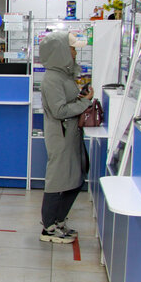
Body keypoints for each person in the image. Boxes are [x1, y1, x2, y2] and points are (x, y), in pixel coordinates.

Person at [38, 30, 93, 243]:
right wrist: (84, 102)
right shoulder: (52, 78)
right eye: (71, 49)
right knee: (58, 180)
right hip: (60, 136)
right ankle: (49, 228)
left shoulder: (64, 75)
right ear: (60, 51)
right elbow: (59, 110)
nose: (75, 53)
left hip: (71, 134)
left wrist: (81, 98)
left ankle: (59, 220)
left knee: (75, 178)